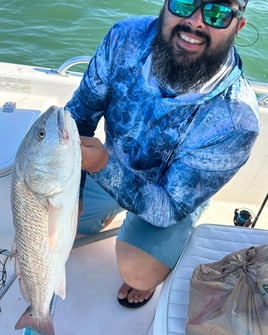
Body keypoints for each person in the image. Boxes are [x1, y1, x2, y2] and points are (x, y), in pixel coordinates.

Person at [66, 0, 259, 308]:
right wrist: (71, 192)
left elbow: (168, 207)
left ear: (238, 26)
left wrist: (102, 166)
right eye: (184, 3)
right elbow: (79, 116)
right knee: (51, 223)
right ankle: (98, 211)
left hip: (167, 196)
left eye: (217, 13)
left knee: (138, 272)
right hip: (106, 161)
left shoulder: (237, 120)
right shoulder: (123, 37)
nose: (195, 22)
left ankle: (161, 247)